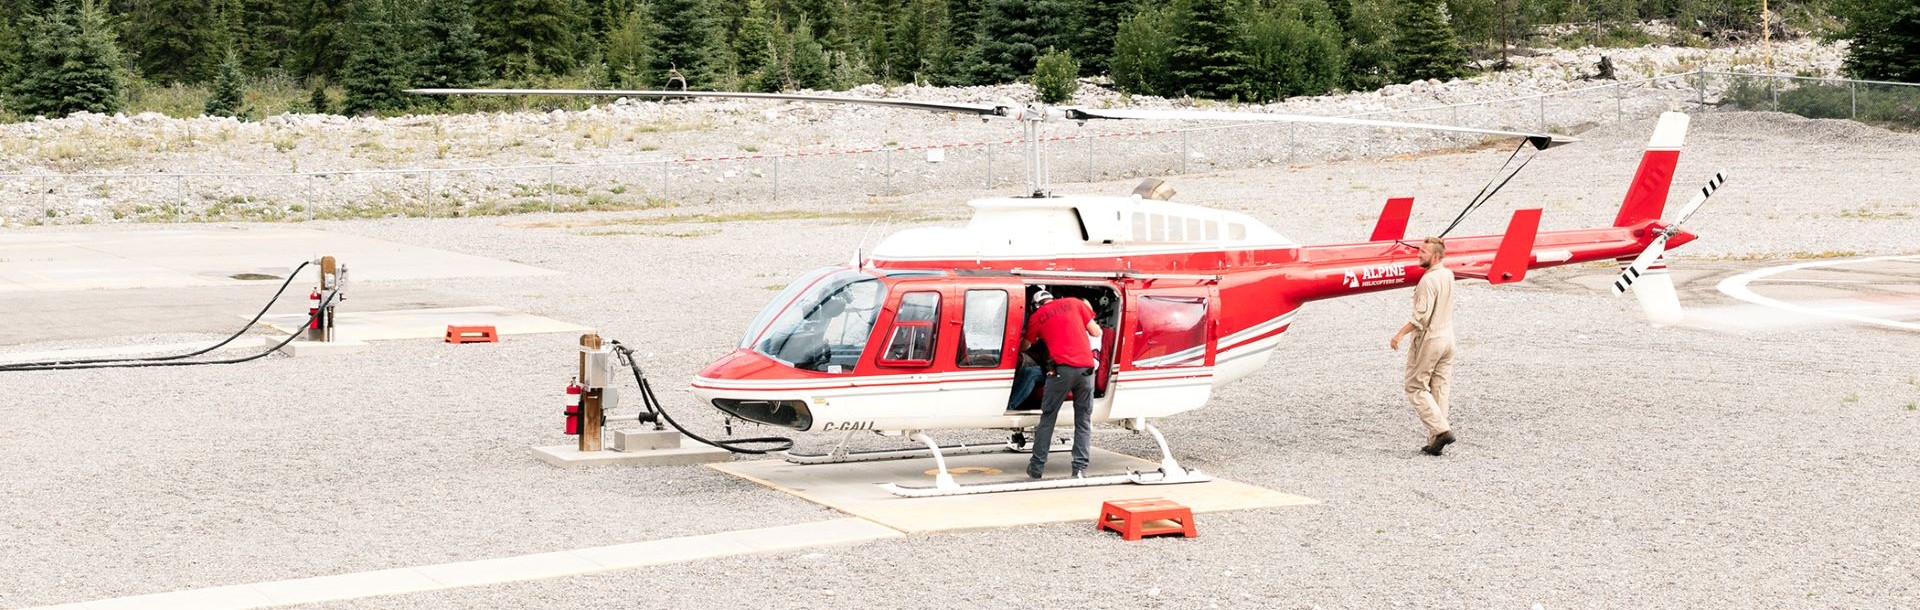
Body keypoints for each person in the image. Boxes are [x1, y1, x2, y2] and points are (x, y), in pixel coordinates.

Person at [1021, 290, 1102, 479]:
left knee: (1048, 419)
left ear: (1036, 305)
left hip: (1061, 372)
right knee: (1082, 421)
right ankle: (1080, 469)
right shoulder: (1075, 303)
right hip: (1087, 370)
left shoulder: (1037, 317)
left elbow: (1025, 345)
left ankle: (1036, 468)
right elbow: (1096, 331)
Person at [1391, 237, 1456, 456]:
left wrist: (1399, 334)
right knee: (1439, 387)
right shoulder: (1448, 274)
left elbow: (1421, 317)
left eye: (1423, 252)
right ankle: (1435, 439)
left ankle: (1441, 430)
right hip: (1448, 337)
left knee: (1415, 386)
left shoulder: (1428, 281)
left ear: (1435, 256)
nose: (1419, 254)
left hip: (1431, 339)